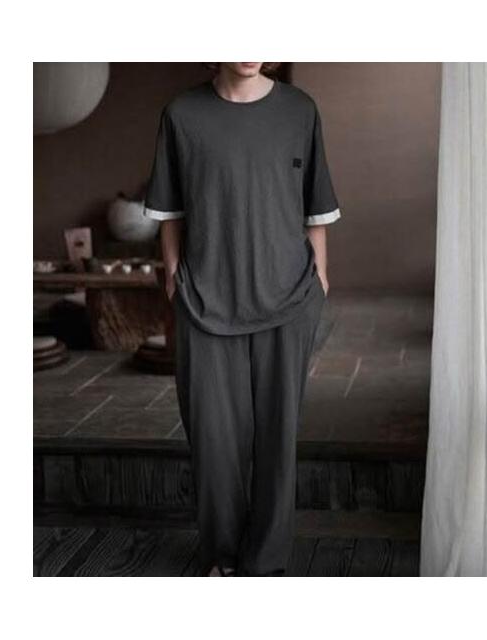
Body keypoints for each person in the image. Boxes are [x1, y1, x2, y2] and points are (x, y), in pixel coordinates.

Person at [144, 62, 342, 576]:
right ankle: (222, 558)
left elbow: (315, 207)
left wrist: (320, 278)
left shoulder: (299, 110)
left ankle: (266, 564)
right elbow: (170, 213)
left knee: (278, 439)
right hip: (204, 302)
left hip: (289, 299)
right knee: (213, 442)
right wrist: (175, 279)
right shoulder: (181, 115)